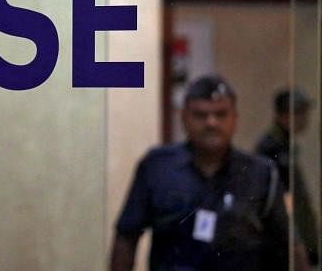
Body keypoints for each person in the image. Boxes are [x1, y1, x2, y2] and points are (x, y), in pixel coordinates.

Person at [110, 75, 288, 271]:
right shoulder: (157, 167)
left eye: (220, 114)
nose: (211, 123)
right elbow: (126, 237)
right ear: (184, 118)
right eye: (200, 115)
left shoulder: (260, 173)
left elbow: (285, 246)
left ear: (235, 119)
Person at [255, 88, 318, 266]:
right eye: (300, 113)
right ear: (285, 115)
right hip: (281, 243)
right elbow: (282, 204)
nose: (305, 119)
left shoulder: (285, 146)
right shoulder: (272, 149)